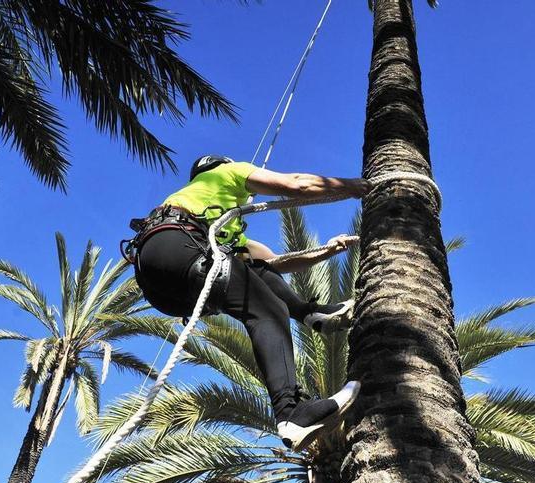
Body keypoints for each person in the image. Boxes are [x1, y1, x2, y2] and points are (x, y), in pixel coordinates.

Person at [127, 155, 370, 451]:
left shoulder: (211, 217)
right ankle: (291, 412)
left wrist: (328, 251)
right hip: (178, 247)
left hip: (160, 277)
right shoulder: (229, 172)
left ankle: (312, 314)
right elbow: (297, 184)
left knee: (256, 272)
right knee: (268, 312)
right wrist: (357, 187)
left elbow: (274, 263)